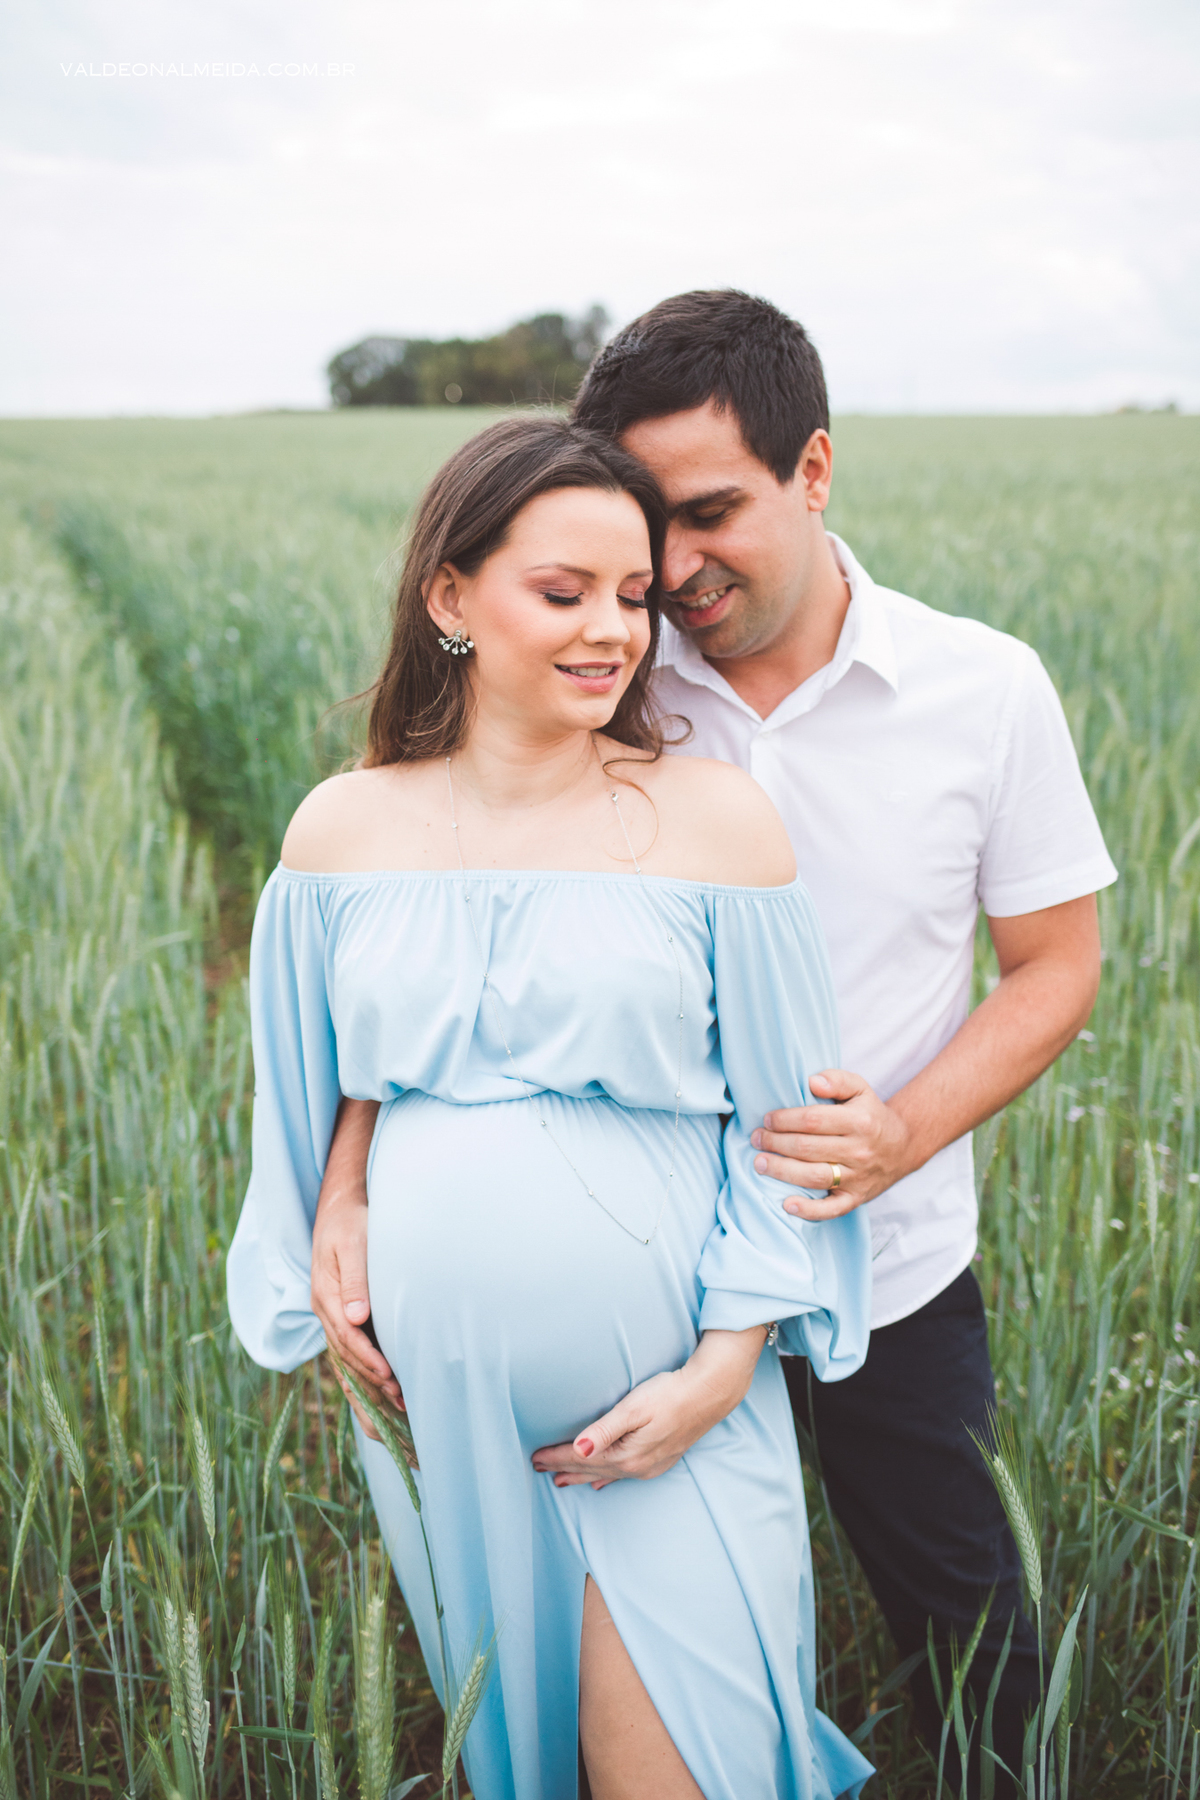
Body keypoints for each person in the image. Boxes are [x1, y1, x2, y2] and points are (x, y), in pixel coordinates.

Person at [315, 293, 1117, 1795]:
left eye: (709, 515)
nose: (668, 576)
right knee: (641, 1679)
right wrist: (347, 1182)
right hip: (648, 1302)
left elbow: (1056, 969)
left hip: (892, 1264)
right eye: (638, 526)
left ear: (813, 473)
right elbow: (424, 961)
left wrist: (901, 1131)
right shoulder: (601, 671)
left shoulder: (981, 689)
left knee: (970, 1646)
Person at [227, 414, 875, 1800]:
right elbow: (319, 1085)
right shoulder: (338, 832)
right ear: (450, 596)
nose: (613, 632)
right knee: (527, 1766)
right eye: (564, 593)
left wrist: (722, 1370)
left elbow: (786, 1134)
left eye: (633, 597)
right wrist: (339, 1199)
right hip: (455, 1416)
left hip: (675, 1417)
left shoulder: (714, 823)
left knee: (690, 1772)